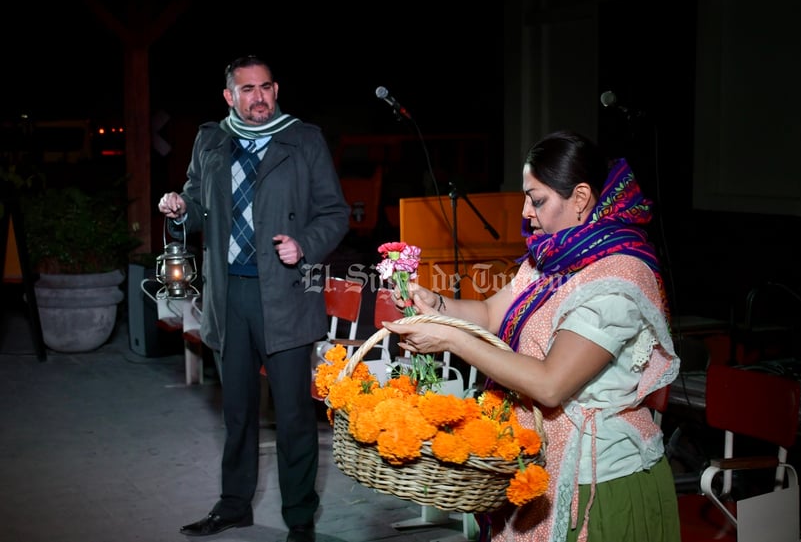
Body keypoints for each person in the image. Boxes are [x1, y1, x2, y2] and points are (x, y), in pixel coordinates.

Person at [384, 129, 681, 542]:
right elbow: (489, 312)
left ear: (580, 198)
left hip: (598, 484)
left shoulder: (619, 277)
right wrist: (436, 305)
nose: (526, 212)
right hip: (541, 465)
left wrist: (452, 340)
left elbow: (550, 383)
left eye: (537, 199)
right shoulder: (554, 258)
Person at [158, 55, 349, 542]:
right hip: (229, 296)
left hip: (284, 295)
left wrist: (303, 243)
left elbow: (334, 212)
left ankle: (300, 518)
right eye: (246, 89)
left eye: (265, 87)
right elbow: (196, 205)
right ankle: (234, 505)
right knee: (237, 412)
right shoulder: (211, 139)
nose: (258, 97)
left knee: (293, 418)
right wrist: (181, 209)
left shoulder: (302, 138)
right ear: (229, 96)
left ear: (276, 88)